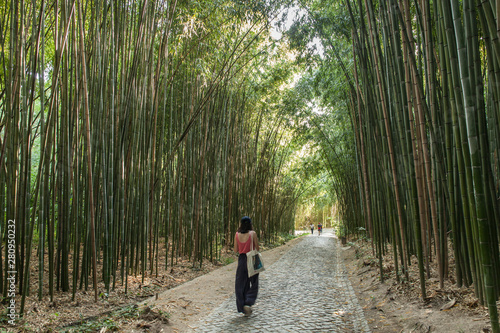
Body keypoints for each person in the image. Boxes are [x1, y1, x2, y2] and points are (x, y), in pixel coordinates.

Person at [233, 216, 259, 316]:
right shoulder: (253, 234)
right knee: (254, 282)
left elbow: (235, 250)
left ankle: (242, 306)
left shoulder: (236, 235)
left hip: (242, 259)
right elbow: (257, 247)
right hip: (252, 258)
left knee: (240, 284)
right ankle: (248, 303)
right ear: (250, 224)